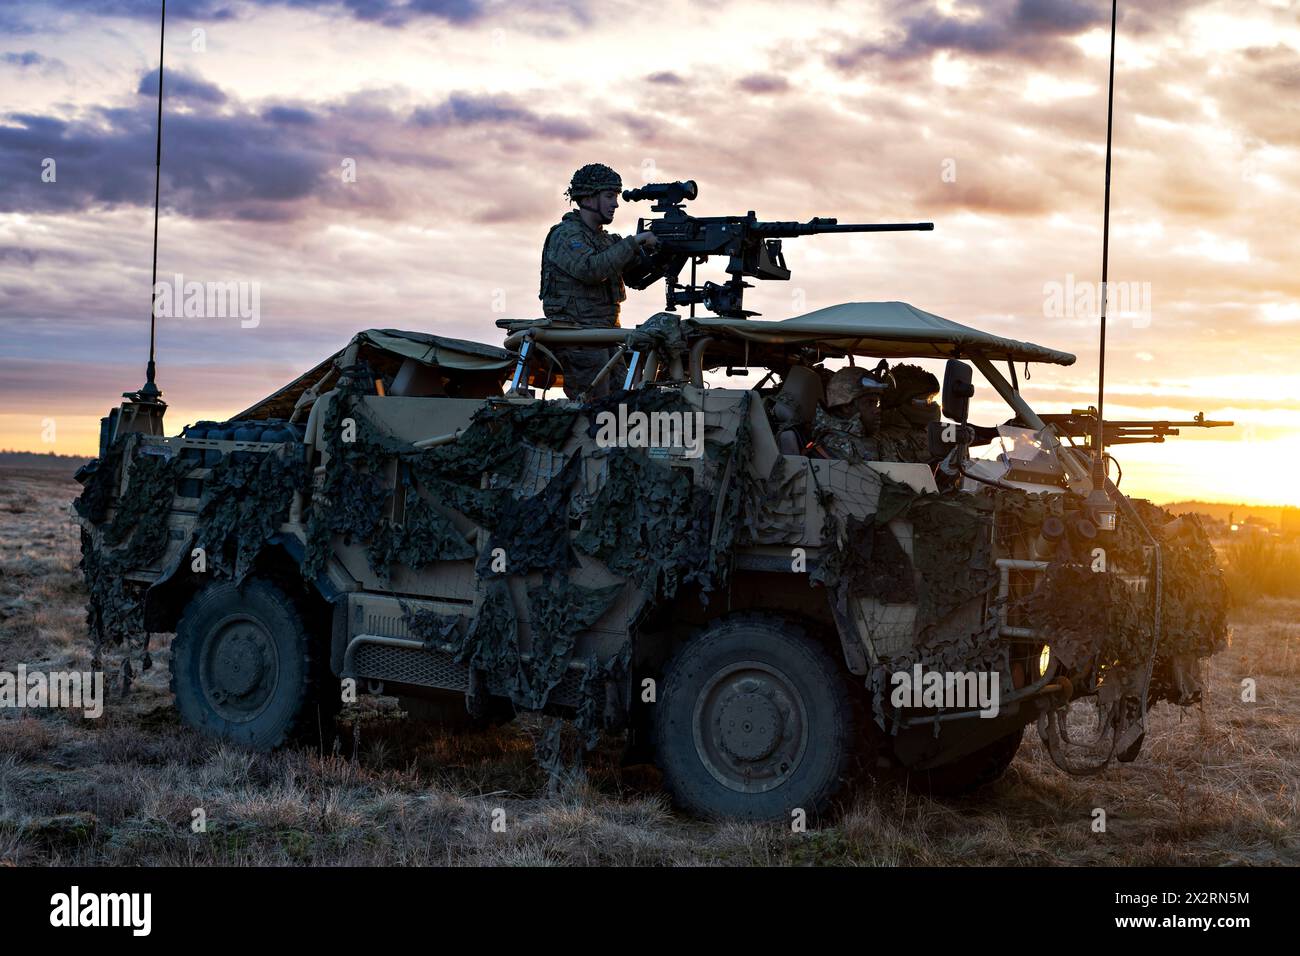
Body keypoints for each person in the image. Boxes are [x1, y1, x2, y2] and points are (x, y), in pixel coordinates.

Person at [539, 163, 660, 399]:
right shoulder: (566, 235)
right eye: (609, 196)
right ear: (588, 198)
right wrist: (634, 243)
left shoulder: (606, 241)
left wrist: (667, 253)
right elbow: (591, 269)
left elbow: (636, 277)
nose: (616, 203)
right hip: (578, 337)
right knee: (595, 407)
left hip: (605, 337)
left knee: (623, 401)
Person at [811, 366, 890, 461]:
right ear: (846, 407)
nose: (877, 410)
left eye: (876, 403)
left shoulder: (871, 438)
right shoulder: (834, 445)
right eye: (869, 403)